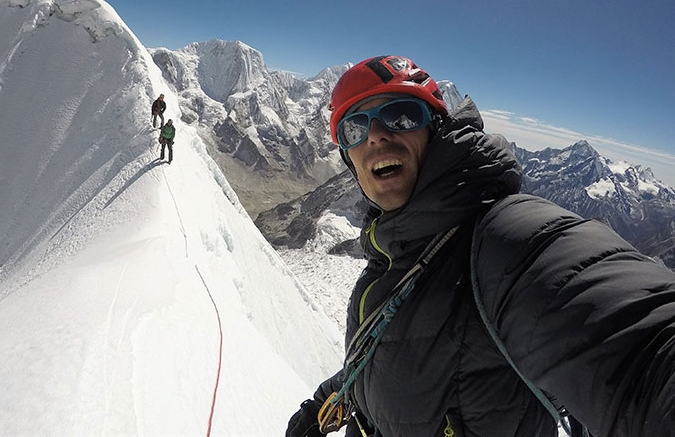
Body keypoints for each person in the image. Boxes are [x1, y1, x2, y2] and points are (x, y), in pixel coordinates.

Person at [286, 55, 675, 437]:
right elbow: (388, 352)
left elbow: (643, 355)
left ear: (435, 129)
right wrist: (322, 401)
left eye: (400, 115)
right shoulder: (397, 255)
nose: (375, 135)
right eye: (354, 129)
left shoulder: (505, 240)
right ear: (348, 158)